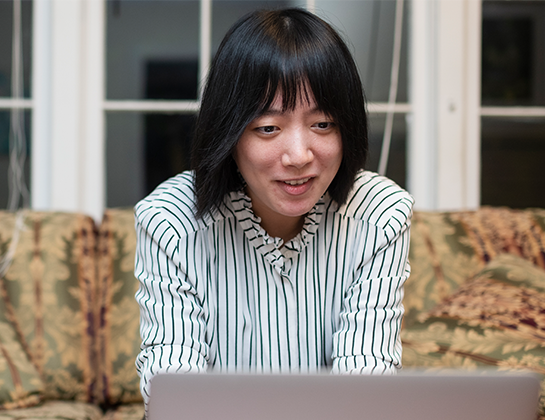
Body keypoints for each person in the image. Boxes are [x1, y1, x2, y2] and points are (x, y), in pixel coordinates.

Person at [134, 7, 414, 403]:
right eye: (268, 128)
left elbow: (365, 388)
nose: (299, 155)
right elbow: (174, 392)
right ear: (229, 133)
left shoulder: (379, 215)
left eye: (323, 124)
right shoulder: (170, 221)